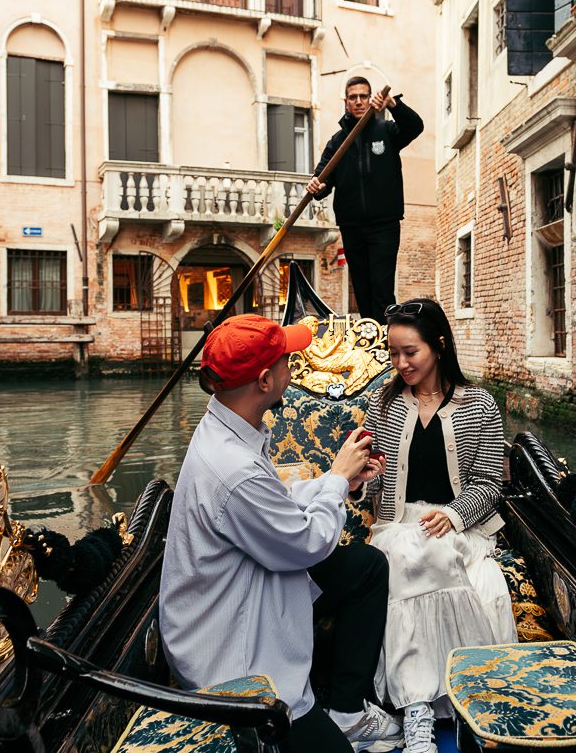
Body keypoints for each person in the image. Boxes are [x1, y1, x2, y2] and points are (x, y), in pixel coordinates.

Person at [159, 314, 404, 752]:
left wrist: (338, 479)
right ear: (265, 380)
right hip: (230, 658)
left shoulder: (230, 427)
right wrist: (334, 481)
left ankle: (347, 709)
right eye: (288, 361)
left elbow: (274, 503)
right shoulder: (232, 468)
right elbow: (307, 543)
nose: (296, 368)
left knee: (365, 567)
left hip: (245, 588)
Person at [359, 299, 516, 753]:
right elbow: (367, 481)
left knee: (481, 582)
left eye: (411, 352)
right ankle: (418, 710)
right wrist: (359, 483)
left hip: (460, 525)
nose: (400, 363)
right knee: (412, 556)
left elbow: (489, 484)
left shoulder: (480, 404)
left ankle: (454, 704)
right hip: (399, 524)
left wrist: (453, 514)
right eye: (393, 354)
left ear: (439, 345)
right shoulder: (382, 404)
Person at [307, 76, 424, 322]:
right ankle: (369, 345)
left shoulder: (387, 131)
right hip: (352, 227)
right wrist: (315, 185)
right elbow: (321, 183)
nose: (358, 101)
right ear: (346, 102)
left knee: (382, 290)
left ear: (370, 98)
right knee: (362, 290)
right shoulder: (337, 142)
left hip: (384, 225)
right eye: (353, 97)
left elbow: (415, 126)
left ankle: (385, 347)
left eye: (363, 96)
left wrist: (393, 104)